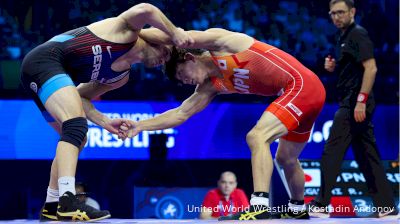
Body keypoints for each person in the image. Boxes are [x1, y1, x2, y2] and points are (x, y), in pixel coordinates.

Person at [122, 26, 326, 220]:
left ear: (190, 58)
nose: (185, 82)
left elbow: (176, 36)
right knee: (286, 159)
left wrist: (131, 32)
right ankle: (297, 208)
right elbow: (180, 114)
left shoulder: (221, 44)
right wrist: (140, 126)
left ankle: (260, 206)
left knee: (257, 137)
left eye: (182, 74)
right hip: (303, 93)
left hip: (300, 86)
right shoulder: (210, 86)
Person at [21, 3, 192, 222]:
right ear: (155, 38)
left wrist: (104, 121)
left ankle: (52, 206)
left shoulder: (120, 78)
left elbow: (81, 96)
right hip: (45, 60)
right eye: (166, 51)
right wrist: (175, 32)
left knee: (76, 137)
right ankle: (68, 200)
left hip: (43, 74)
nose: (165, 58)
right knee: (75, 126)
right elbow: (146, 9)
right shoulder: (126, 31)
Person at [307, 0, 397, 218]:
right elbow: (353, 68)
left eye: (341, 12)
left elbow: (371, 68)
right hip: (351, 100)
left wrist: (361, 100)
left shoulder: (358, 34)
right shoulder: (343, 37)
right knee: (367, 155)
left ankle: (321, 204)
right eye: (333, 13)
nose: (336, 17)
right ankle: (387, 207)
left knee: (332, 152)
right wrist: (334, 66)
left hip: (355, 103)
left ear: (352, 12)